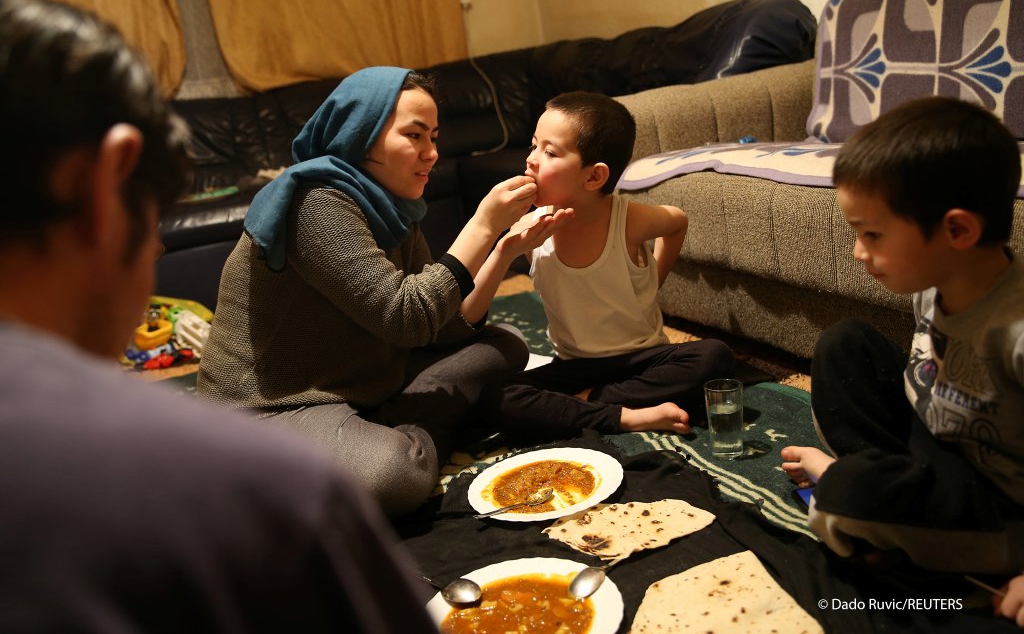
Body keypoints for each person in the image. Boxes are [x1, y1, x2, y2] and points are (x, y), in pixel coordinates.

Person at [0, 0, 438, 632]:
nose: (154, 245)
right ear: (101, 184)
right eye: (153, 217)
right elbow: (404, 312)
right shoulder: (263, 497)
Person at [197, 66, 570, 516]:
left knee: (505, 345)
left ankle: (388, 420)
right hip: (275, 407)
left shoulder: (392, 207)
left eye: (433, 136)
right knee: (394, 475)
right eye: (414, 136)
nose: (431, 153)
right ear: (361, 135)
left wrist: (503, 251)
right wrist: (483, 224)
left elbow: (440, 328)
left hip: (364, 376)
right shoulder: (315, 202)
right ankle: (404, 430)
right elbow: (406, 316)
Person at [779, 97, 1024, 578]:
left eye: (872, 234)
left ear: (957, 229)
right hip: (936, 442)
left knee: (844, 497)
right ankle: (883, 506)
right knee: (845, 344)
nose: (858, 252)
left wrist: (836, 476)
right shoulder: (935, 290)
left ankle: (868, 509)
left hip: (998, 500)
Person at [491, 91, 735, 442]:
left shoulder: (629, 219)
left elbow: (677, 222)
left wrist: (653, 281)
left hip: (643, 359)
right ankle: (628, 416)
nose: (531, 160)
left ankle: (585, 405)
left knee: (715, 356)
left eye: (549, 152)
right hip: (572, 367)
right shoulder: (532, 229)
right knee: (492, 394)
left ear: (594, 177)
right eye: (533, 146)